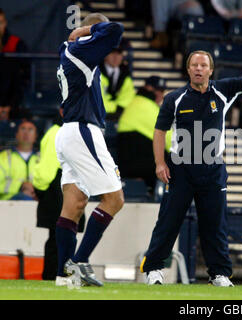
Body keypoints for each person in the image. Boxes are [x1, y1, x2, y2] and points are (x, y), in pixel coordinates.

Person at [139, 42, 242, 286]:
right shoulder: (174, 98)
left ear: (210, 70)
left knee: (215, 224)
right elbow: (159, 131)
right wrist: (159, 163)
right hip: (180, 169)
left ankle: (219, 274)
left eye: (203, 65)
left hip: (213, 169)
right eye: (194, 65)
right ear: (188, 70)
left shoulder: (224, 90)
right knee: (168, 221)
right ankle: (153, 269)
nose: (198, 69)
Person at [54, 13, 125, 287]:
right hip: (83, 131)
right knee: (115, 199)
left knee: (74, 205)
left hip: (70, 132)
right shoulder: (80, 49)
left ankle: (63, 276)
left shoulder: (69, 52)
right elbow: (115, 30)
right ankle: (80, 261)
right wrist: (87, 29)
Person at [32, 118, 85, 283]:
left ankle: (56, 275)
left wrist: (40, 190)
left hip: (58, 188)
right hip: (62, 188)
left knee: (57, 239)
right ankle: (59, 275)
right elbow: (47, 169)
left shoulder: (57, 131)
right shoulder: (62, 132)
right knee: (62, 238)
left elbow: (44, 170)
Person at [117, 76, 172, 193]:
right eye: (157, 91)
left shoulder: (134, 103)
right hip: (139, 165)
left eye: (162, 91)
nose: (160, 95)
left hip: (126, 162)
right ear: (148, 88)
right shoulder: (150, 107)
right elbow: (170, 141)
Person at [0, 8, 28, 121]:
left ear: (5, 23)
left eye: (0, 23)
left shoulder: (15, 44)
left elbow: (24, 76)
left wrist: (9, 106)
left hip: (12, 103)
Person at [0, 120, 38, 201]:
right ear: (16, 135)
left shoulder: (41, 158)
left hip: (37, 201)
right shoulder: (3, 157)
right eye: (23, 129)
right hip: (7, 203)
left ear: (35, 137)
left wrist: (36, 191)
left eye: (30, 130)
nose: (26, 133)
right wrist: (20, 186)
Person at [100, 38, 136, 119]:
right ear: (105, 54)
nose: (116, 57)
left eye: (119, 53)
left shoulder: (126, 75)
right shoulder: (96, 73)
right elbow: (98, 102)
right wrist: (117, 108)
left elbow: (128, 99)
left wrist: (117, 109)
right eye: (113, 52)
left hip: (117, 118)